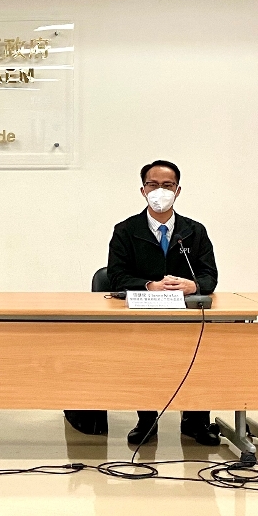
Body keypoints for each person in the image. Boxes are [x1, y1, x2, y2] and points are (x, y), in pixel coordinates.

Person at [107, 160, 220, 446]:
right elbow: (116, 276)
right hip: (143, 315)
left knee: (199, 357)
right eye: (153, 185)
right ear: (143, 190)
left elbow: (210, 275)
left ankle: (196, 420)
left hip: (187, 315)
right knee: (144, 361)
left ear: (178, 191)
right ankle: (146, 420)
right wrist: (149, 285)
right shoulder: (125, 230)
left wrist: (193, 285)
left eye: (167, 186)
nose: (160, 191)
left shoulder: (194, 230)